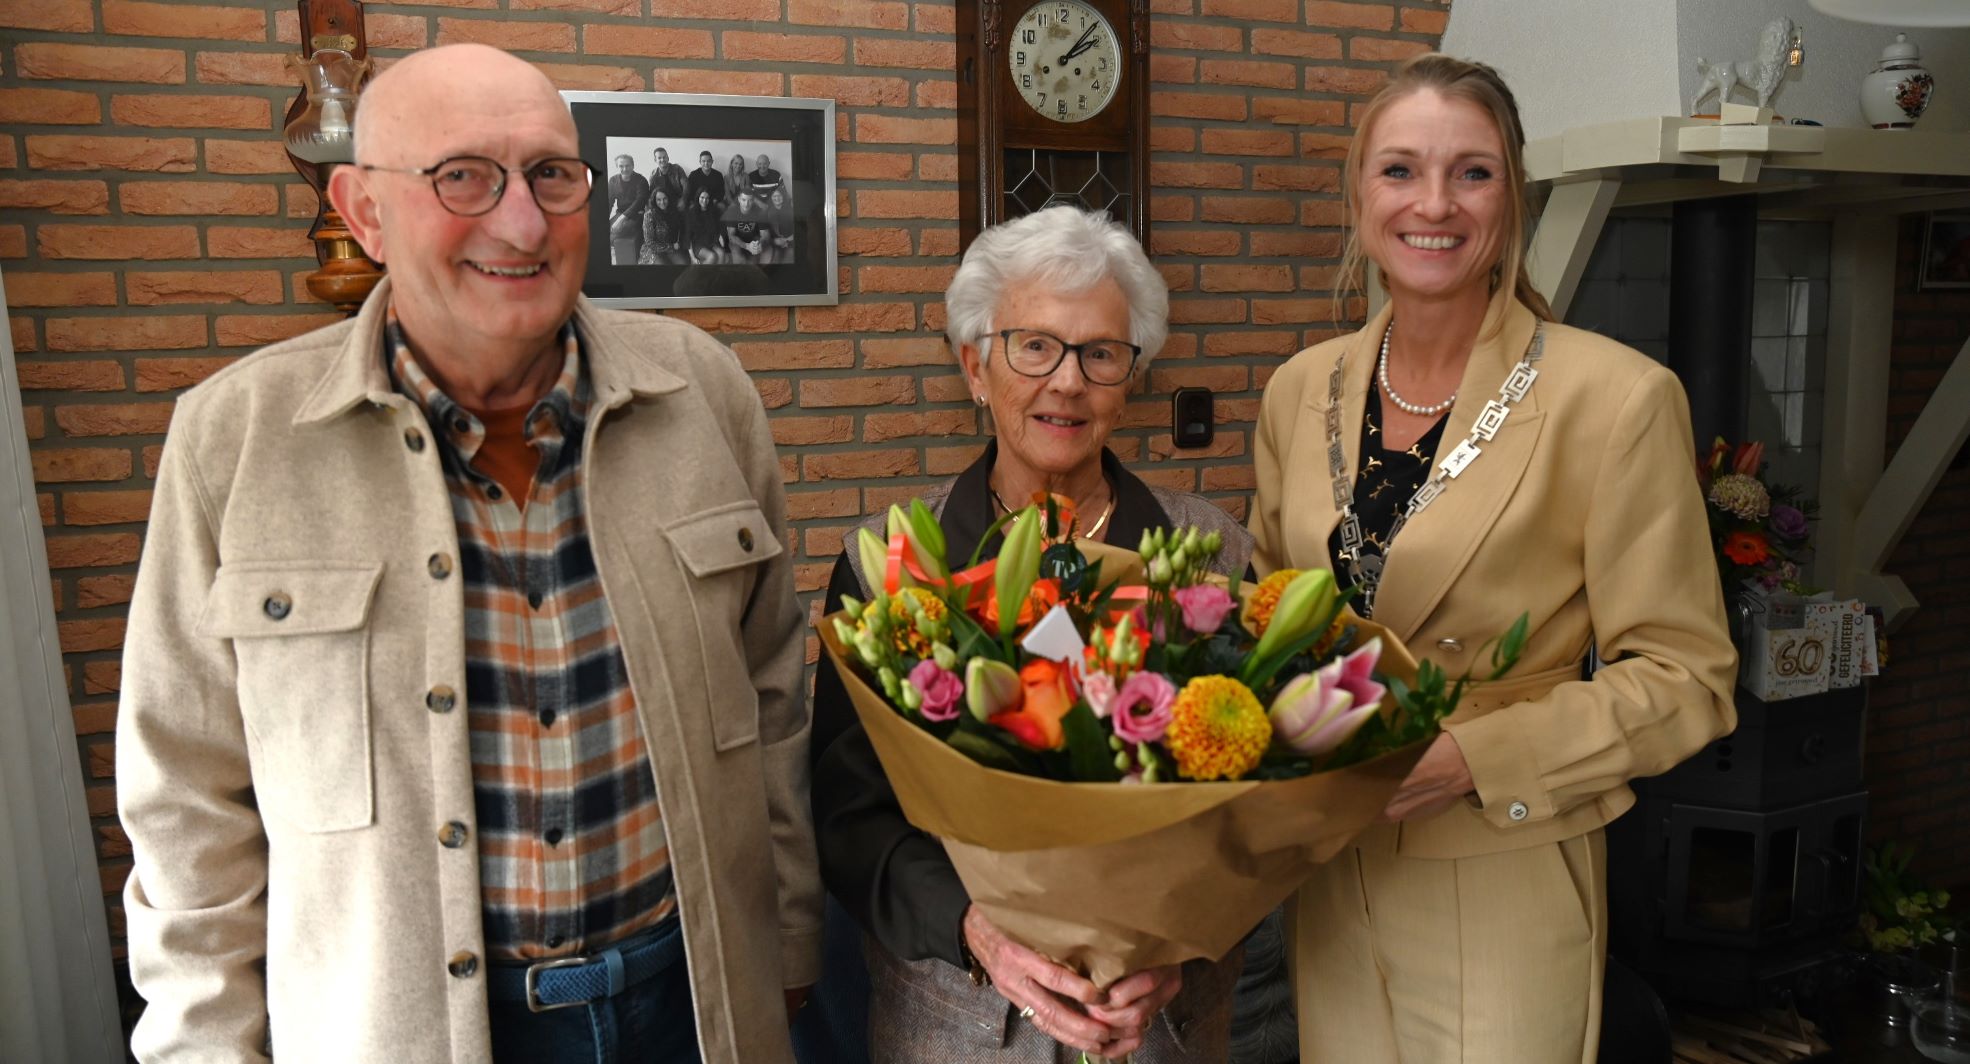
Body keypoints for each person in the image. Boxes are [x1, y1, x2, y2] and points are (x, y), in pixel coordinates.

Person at [116, 43, 820, 1064]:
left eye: (551, 174)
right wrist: (205, 1043)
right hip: (397, 1024)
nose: (522, 222)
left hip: (693, 1002)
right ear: (363, 210)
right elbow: (186, 795)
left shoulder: (706, 395)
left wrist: (791, 935)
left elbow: (769, 698)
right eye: (463, 177)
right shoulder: (233, 440)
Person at [1247, 53, 1737, 1064]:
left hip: (1501, 861)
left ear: (1511, 193)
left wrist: (1472, 756)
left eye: (1470, 171)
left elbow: (1688, 678)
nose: (1433, 202)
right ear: (1357, 192)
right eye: (1399, 170)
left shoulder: (1616, 397)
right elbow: (1268, 616)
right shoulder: (1296, 390)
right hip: (1330, 871)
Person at [810, 205, 1253, 1063]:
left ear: (1133, 376)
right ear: (977, 366)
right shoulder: (894, 569)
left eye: (1101, 354)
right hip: (957, 1025)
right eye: (1035, 346)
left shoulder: (1213, 559)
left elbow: (1258, 816)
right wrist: (976, 930)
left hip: (1159, 1026)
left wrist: (1181, 945)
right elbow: (846, 810)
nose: (1068, 382)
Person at [606, 152, 647, 265]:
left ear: (633, 166)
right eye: (621, 166)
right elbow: (609, 202)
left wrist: (620, 220)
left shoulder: (641, 180)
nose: (624, 168)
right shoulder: (613, 181)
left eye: (627, 165)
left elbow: (640, 201)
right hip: (620, 213)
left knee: (617, 231)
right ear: (617, 167)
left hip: (637, 215)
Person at [640, 185, 685, 265]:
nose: (662, 202)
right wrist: (671, 247)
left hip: (670, 247)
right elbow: (650, 243)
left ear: (668, 199)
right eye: (659, 200)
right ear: (654, 201)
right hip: (653, 250)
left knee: (682, 264)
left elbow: (680, 231)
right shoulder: (649, 215)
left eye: (665, 199)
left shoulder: (673, 212)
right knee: (662, 267)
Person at [723, 187, 768, 264]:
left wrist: (759, 244)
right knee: (740, 260)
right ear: (739, 199)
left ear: (753, 200)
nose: (746, 204)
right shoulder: (731, 211)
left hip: (753, 240)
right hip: (737, 241)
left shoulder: (760, 212)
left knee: (752, 264)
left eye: (750, 200)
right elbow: (731, 236)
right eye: (743, 200)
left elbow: (765, 234)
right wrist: (746, 246)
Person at [685, 185, 725, 264]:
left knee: (721, 254)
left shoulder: (714, 211)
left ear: (710, 199)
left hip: (711, 241)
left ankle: (717, 275)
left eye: (707, 198)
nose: (704, 200)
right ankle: (700, 274)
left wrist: (721, 236)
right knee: (712, 256)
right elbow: (687, 235)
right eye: (702, 197)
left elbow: (720, 227)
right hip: (697, 243)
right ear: (698, 198)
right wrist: (692, 256)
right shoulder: (691, 212)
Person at [762, 185, 795, 265]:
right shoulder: (767, 213)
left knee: (789, 257)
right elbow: (765, 233)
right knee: (773, 260)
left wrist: (787, 241)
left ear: (783, 196)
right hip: (774, 243)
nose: (777, 198)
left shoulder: (791, 210)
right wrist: (774, 241)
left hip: (790, 241)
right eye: (774, 196)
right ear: (771, 198)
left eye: (779, 195)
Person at [685, 149, 725, 213]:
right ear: (700, 162)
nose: (706, 163)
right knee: (690, 208)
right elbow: (689, 191)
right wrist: (696, 202)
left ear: (712, 161)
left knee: (722, 206)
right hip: (698, 202)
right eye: (703, 161)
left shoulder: (718, 175)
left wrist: (715, 200)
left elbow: (721, 191)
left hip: (713, 201)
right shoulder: (693, 175)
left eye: (708, 161)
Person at [648, 145, 686, 211]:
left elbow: (686, 185)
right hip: (663, 203)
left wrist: (683, 199)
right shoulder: (653, 175)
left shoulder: (677, 169)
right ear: (655, 160)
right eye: (659, 158)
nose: (662, 160)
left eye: (664, 157)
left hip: (678, 200)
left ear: (668, 158)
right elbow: (652, 194)